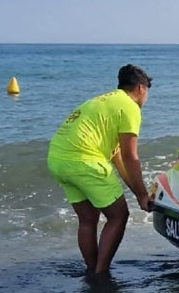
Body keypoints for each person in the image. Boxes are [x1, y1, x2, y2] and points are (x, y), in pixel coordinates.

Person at [47, 64, 154, 275]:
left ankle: (92, 269)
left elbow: (118, 159)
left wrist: (139, 195)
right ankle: (101, 273)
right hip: (85, 161)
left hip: (57, 159)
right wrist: (142, 195)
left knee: (88, 219)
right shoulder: (130, 106)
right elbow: (130, 157)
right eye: (147, 92)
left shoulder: (101, 102)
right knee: (118, 216)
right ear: (141, 88)